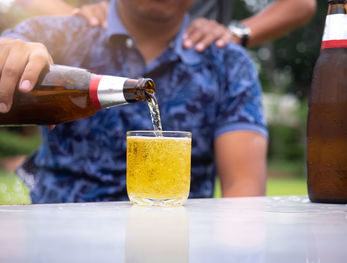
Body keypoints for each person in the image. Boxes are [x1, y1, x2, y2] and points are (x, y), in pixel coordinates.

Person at [0, 0, 267, 203]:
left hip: (173, 244)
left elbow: (243, 193)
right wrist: (13, 54)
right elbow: (10, 50)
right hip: (56, 244)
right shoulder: (55, 35)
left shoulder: (228, 63)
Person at [15, 0, 316, 51]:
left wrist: (234, 35)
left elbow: (301, 4)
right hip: (103, 53)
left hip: (194, 59)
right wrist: (76, 18)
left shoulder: (226, 68)